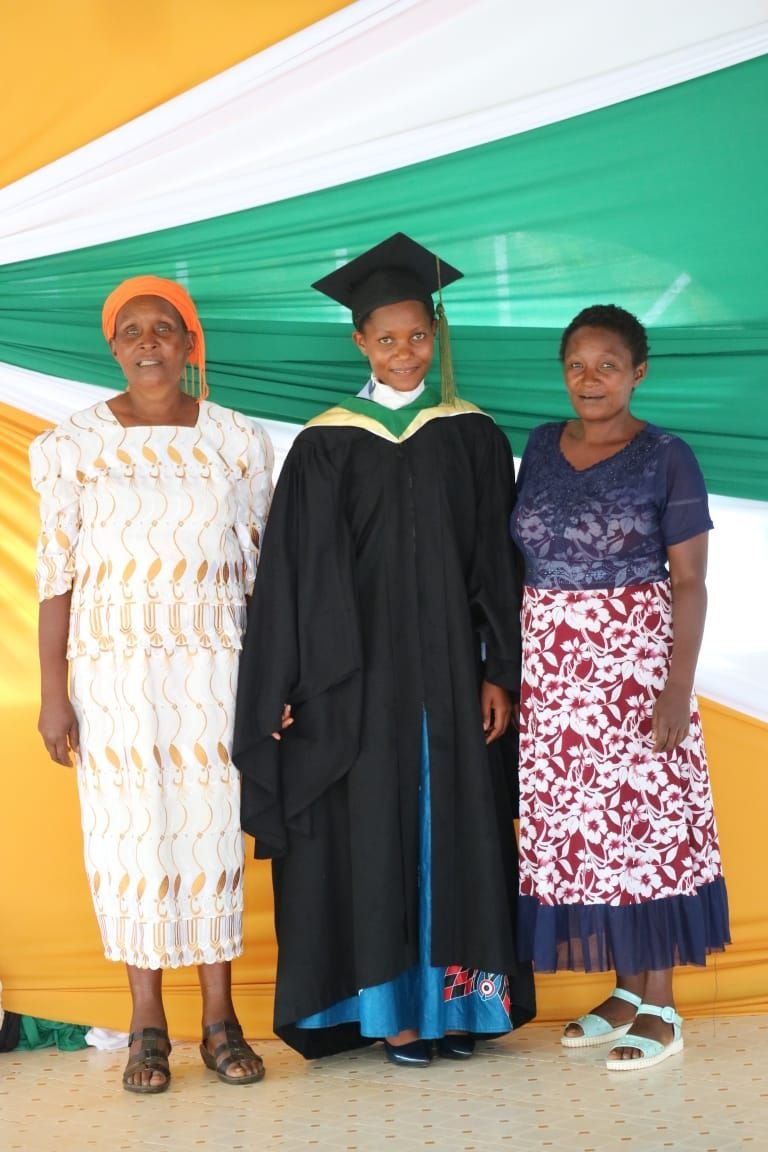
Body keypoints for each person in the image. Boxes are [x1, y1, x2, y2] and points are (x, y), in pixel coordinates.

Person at [233, 233, 536, 1065]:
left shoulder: (471, 435)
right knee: (371, 829)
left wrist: (498, 672)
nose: (405, 353)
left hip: (448, 669)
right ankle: (395, 1014)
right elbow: (292, 575)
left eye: (418, 336)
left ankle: (460, 1008)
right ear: (358, 341)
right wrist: (288, 684)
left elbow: (494, 564)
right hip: (355, 677)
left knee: (456, 822)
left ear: (436, 335)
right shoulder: (326, 442)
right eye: (387, 338)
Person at [31, 276, 274, 1093]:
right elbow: (56, 573)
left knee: (210, 839)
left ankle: (219, 1021)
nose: (148, 343)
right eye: (131, 330)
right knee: (130, 843)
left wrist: (273, 680)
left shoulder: (237, 441)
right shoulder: (72, 446)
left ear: (189, 342)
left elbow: (261, 572)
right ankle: (147, 1028)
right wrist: (53, 689)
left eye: (163, 328)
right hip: (113, 676)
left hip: (214, 667)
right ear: (114, 347)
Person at [510, 304, 730, 1071]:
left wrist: (677, 689)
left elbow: (691, 581)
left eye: (608, 365)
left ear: (639, 372)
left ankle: (663, 1005)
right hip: (554, 678)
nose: (590, 379)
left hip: (634, 676)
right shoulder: (540, 446)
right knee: (586, 836)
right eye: (577, 365)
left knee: (647, 832)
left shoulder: (667, 455)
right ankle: (626, 992)